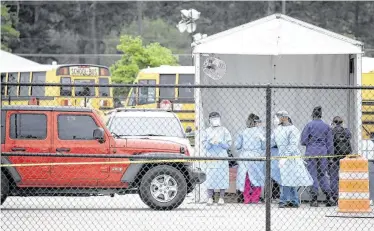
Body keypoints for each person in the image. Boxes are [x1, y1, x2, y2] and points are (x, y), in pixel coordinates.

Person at [272, 111, 313, 208]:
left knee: (289, 178)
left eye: (277, 117)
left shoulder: (293, 130)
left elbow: (292, 146)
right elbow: (273, 141)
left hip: (292, 158)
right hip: (283, 157)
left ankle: (284, 200)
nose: (275, 120)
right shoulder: (278, 129)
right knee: (287, 179)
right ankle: (293, 200)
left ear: (284, 117)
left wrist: (285, 157)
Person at [301, 106, 336, 207]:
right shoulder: (326, 126)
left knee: (313, 175)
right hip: (323, 153)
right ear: (321, 115)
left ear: (312, 114)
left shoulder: (309, 125)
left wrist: (311, 143)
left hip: (311, 152)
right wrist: (331, 157)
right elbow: (330, 143)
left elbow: (303, 141)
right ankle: (329, 196)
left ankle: (314, 199)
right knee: (322, 175)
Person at [202, 112, 232, 205]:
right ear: (209, 120)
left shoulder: (224, 130)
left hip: (222, 157)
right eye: (213, 118)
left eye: (217, 118)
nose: (215, 120)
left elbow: (228, 145)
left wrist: (221, 142)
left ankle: (221, 198)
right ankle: (210, 197)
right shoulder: (206, 131)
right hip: (211, 158)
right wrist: (210, 142)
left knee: (222, 177)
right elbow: (205, 146)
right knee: (210, 178)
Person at [235, 113, 266, 204]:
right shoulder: (261, 132)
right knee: (258, 178)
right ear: (257, 122)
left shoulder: (242, 132)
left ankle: (247, 199)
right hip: (256, 157)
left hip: (245, 157)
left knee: (246, 178)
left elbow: (237, 146)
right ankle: (255, 198)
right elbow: (264, 146)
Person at [330, 116, 352, 204]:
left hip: (335, 157)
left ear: (333, 123)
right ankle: (346, 195)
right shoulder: (346, 131)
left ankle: (335, 197)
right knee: (345, 176)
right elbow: (349, 138)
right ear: (342, 122)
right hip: (345, 156)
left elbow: (330, 142)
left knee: (334, 177)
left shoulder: (332, 131)